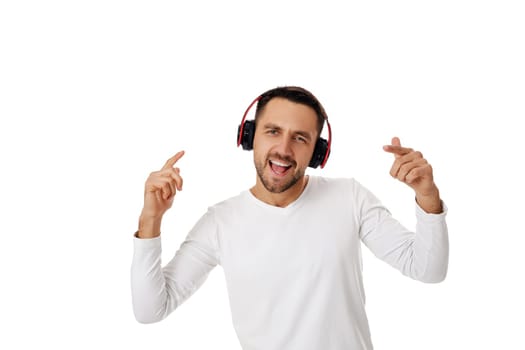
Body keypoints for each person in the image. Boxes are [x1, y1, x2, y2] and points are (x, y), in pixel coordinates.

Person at [130, 86, 449, 350]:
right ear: (250, 136)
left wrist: (427, 195)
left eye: (300, 138)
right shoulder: (220, 222)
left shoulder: (349, 197)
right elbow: (150, 310)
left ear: (317, 153)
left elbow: (428, 269)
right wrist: (151, 219)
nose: (283, 149)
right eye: (272, 131)